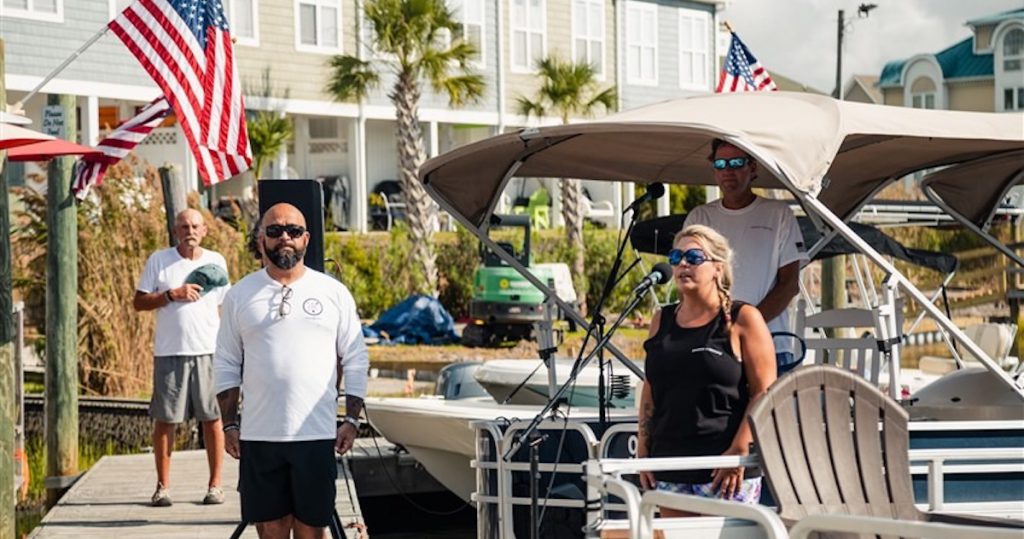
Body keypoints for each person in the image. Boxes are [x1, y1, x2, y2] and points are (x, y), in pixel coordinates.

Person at [214, 203, 370, 539]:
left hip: (315, 434)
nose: (285, 237)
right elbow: (226, 361)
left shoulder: (333, 293)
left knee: (312, 529)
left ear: (306, 239)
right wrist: (228, 424)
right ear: (261, 240)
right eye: (275, 230)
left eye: (294, 231)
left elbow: (355, 357)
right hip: (259, 435)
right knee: (271, 528)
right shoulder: (240, 294)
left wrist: (352, 419)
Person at [637, 225, 776, 515]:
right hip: (670, 463)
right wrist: (643, 445)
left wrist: (739, 451)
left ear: (717, 268)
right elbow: (651, 386)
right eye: (676, 257)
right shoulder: (661, 319)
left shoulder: (743, 318)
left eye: (694, 257)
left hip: (724, 468)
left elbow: (765, 391)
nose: (683, 264)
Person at [683, 139, 809, 374]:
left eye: (736, 162)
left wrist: (745, 327)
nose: (728, 170)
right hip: (711, 345)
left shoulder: (779, 214)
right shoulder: (699, 217)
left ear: (753, 168)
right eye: (720, 164)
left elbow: (789, 285)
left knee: (767, 412)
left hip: (771, 344)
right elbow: (689, 281)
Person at [133, 208, 229, 507]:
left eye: (195, 226)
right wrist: (171, 295)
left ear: (204, 231)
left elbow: (226, 305)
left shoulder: (216, 261)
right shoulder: (159, 261)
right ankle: (162, 487)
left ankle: (215, 485)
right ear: (176, 230)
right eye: (184, 225)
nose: (190, 230)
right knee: (166, 420)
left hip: (208, 351)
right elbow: (139, 302)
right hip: (170, 351)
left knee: (213, 418)